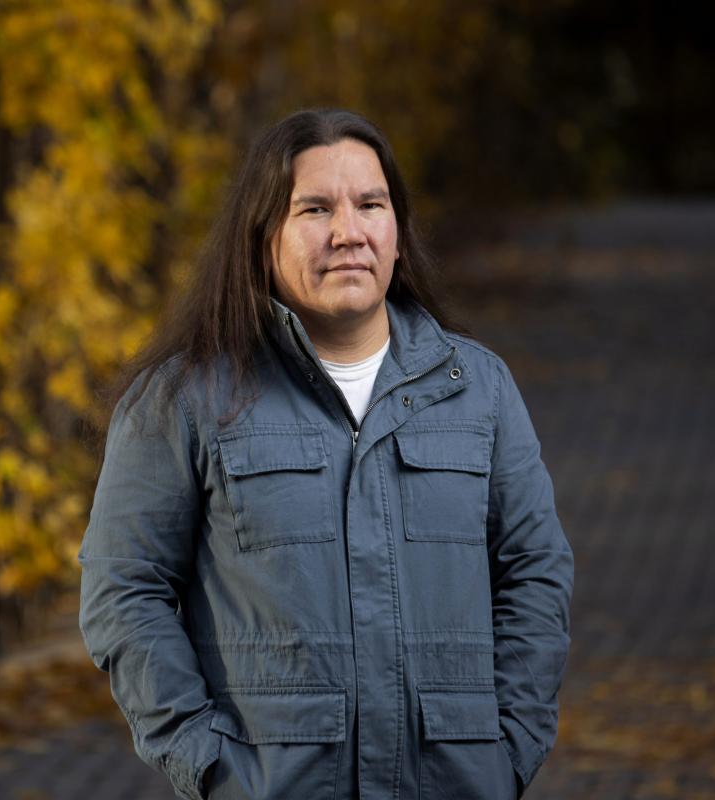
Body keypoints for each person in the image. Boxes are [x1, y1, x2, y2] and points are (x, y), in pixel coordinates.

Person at [78, 108, 573, 800]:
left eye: (370, 204)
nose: (348, 232)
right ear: (262, 238)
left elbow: (535, 569)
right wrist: (208, 763)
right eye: (314, 208)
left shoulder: (477, 389)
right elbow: (122, 591)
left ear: (398, 234)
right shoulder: (185, 401)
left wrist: (511, 751)